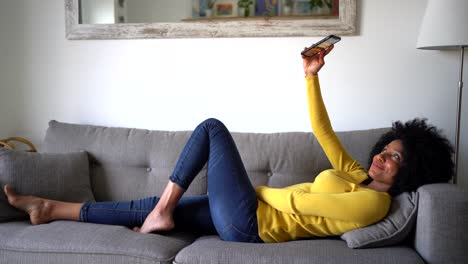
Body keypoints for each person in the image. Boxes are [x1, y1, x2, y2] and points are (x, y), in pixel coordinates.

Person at [3, 45, 454, 243]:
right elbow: (324, 133)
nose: (381, 156)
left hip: (252, 223)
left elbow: (298, 207)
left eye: (395, 157)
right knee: (149, 204)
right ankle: (49, 208)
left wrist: (247, 192)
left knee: (212, 128)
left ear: (409, 172)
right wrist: (310, 79)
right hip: (243, 212)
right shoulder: (356, 176)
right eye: (385, 147)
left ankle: (163, 211)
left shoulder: (374, 207)